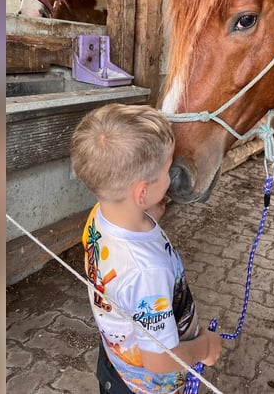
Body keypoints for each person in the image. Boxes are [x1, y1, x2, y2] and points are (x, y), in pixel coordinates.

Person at [71, 104, 223, 394]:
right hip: (146, 385)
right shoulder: (146, 273)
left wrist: (147, 211)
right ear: (141, 192)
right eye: (167, 170)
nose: (170, 180)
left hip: (116, 363)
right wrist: (203, 347)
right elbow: (159, 360)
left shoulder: (100, 216)